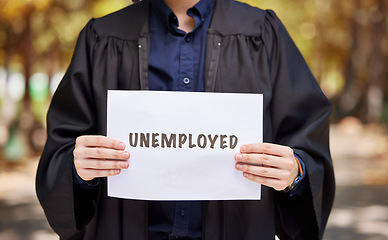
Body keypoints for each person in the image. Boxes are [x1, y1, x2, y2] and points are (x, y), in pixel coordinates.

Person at [36, 0, 335, 239]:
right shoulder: (102, 37)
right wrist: (78, 169)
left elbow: (307, 143)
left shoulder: (263, 34)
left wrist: (294, 172)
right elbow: (62, 153)